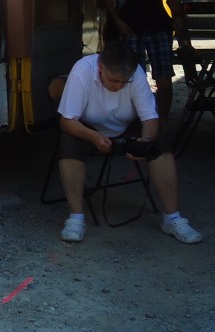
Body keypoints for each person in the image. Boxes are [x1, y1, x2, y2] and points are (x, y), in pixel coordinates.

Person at [55, 41, 203, 244]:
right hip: (89, 128)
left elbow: (150, 117)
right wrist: (93, 136)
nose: (120, 86)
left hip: (127, 125)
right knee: (69, 143)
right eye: (114, 80)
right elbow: (67, 120)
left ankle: (172, 217)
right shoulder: (83, 70)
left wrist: (145, 141)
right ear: (100, 68)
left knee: (161, 146)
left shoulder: (137, 74)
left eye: (125, 82)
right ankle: (76, 217)